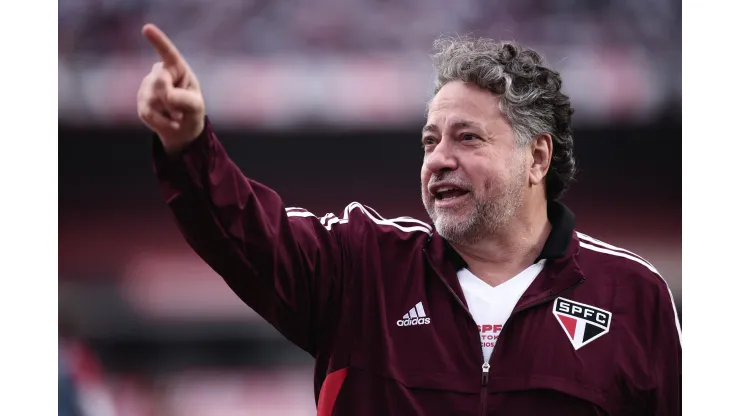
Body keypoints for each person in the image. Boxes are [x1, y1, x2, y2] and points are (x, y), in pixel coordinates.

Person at [137, 23, 681, 415]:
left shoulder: (633, 295)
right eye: (429, 141)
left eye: (467, 137)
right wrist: (189, 146)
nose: (439, 158)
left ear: (537, 158)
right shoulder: (360, 268)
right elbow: (246, 233)